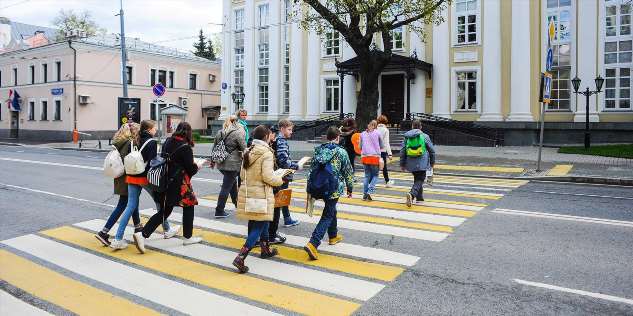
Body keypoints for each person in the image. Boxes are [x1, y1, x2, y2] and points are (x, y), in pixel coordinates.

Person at [133, 122, 205, 253]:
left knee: (165, 211)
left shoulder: (168, 141)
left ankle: (142, 234)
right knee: (189, 206)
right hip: (179, 184)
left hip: (165, 181)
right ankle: (188, 237)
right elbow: (191, 169)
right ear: (188, 133)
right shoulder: (185, 147)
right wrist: (198, 165)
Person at [111, 120, 178, 249]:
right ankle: (167, 230)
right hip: (144, 178)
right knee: (160, 203)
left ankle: (117, 238)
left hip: (131, 177)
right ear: (149, 129)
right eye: (154, 128)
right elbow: (153, 163)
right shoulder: (151, 142)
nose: (156, 130)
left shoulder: (133, 140)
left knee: (130, 207)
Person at [232, 125, 289, 273]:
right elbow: (268, 177)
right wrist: (280, 179)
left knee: (262, 220)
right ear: (265, 137)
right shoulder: (266, 153)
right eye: (270, 135)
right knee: (259, 224)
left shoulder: (248, 150)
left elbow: (242, 175)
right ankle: (241, 256)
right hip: (261, 194)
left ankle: (265, 250)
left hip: (249, 192)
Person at [304, 126, 354, 260]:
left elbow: (312, 169)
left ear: (327, 137)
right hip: (333, 187)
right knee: (328, 214)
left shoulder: (319, 150)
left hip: (318, 186)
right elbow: (348, 171)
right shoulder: (341, 152)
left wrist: (310, 188)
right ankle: (313, 243)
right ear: (338, 137)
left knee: (331, 210)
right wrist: (350, 188)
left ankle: (333, 236)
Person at [268, 120, 300, 244]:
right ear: (282, 129)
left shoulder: (278, 140)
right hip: (282, 174)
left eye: (291, 130)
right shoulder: (281, 141)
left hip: (280, 175)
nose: (291, 132)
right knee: (280, 199)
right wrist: (295, 166)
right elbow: (283, 160)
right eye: (289, 129)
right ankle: (275, 229)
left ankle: (287, 218)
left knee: (282, 197)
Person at [212, 115, 246, 218]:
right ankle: (219, 210)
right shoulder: (237, 133)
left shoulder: (220, 132)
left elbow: (214, 147)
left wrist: (213, 161)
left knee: (232, 184)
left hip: (221, 163)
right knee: (226, 186)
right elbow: (244, 148)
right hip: (233, 164)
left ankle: (237, 205)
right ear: (236, 123)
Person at [400, 119, 436, 207]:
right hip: (422, 162)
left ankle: (419, 198)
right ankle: (411, 195)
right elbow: (432, 151)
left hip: (410, 162)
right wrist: (432, 162)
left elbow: (403, 151)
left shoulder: (407, 137)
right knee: (420, 179)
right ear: (421, 127)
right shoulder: (425, 136)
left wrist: (402, 164)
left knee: (417, 179)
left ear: (412, 126)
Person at [359, 120, 383, 201]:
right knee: (375, 175)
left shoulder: (362, 134)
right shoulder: (378, 133)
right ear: (376, 126)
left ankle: (364, 195)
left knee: (367, 176)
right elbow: (382, 145)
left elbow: (360, 147)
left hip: (365, 157)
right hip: (374, 157)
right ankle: (370, 191)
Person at [376, 115, 394, 187]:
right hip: (382, 151)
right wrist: (390, 154)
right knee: (384, 167)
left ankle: (370, 181)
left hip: (374, 151)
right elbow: (386, 143)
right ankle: (387, 182)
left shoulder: (375, 129)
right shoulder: (385, 130)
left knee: (374, 166)